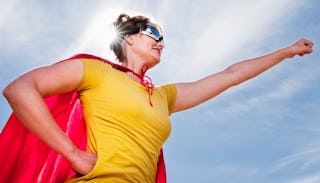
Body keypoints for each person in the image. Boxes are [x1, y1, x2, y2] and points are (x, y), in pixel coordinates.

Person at [1, 13, 313, 183]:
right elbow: (20, 89)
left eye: (163, 38)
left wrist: (286, 52)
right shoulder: (95, 72)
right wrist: (72, 153)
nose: (161, 42)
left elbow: (230, 75)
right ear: (130, 38)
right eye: (154, 33)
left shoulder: (164, 97)